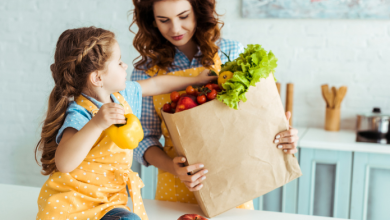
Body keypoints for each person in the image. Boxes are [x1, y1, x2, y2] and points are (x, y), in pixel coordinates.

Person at [130, 0, 299, 209]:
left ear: (198, 12)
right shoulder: (145, 72)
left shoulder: (232, 52)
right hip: (177, 184)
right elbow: (142, 138)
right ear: (152, 21)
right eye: (164, 20)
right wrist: (175, 169)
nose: (175, 29)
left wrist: (284, 135)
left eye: (183, 16)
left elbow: (254, 117)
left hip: (233, 181)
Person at [35, 26, 216, 220]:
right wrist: (97, 124)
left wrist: (195, 80)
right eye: (119, 62)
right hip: (75, 204)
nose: (125, 66)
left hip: (109, 203)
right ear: (97, 78)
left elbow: (156, 84)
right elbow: (64, 163)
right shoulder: (80, 113)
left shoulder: (123, 96)